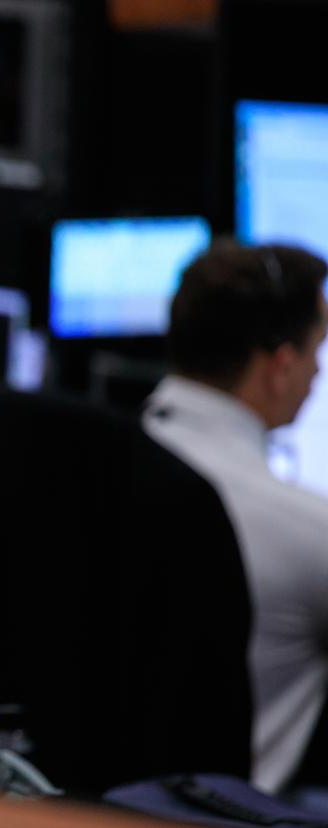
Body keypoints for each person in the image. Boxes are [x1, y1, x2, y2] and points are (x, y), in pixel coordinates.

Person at [142, 240, 328, 794]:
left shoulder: (88, 478)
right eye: (317, 349)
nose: (319, 369)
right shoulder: (307, 530)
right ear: (280, 366)